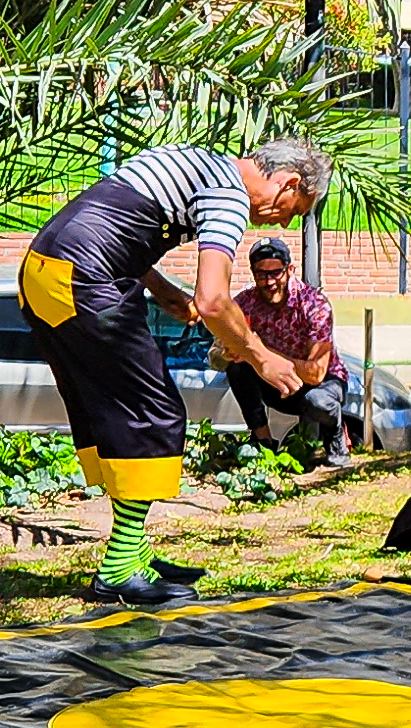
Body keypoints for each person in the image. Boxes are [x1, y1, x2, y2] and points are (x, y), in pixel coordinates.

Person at [19, 140, 331, 602]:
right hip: (86, 280)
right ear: (288, 183)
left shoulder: (196, 161)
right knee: (155, 414)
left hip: (43, 273)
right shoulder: (229, 195)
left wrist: (163, 290)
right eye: (294, 210)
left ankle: (133, 550)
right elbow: (213, 300)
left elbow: (113, 220)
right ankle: (119, 569)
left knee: (112, 414)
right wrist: (261, 356)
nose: (282, 223)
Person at [219, 236, 352, 469]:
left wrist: (261, 350)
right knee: (237, 368)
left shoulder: (314, 304)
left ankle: (336, 438)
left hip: (320, 385)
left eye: (276, 273)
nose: (269, 282)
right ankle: (263, 442)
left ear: (290, 270)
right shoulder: (243, 303)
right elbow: (218, 352)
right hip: (277, 385)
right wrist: (229, 352)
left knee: (317, 402)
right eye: (262, 274)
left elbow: (316, 373)